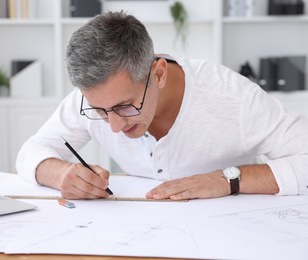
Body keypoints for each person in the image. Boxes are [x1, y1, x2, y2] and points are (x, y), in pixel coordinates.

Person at [16, 11, 308, 200]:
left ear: (158, 74)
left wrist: (228, 179)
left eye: (125, 106)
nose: (114, 126)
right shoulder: (94, 99)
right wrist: (60, 175)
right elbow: (31, 150)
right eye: (101, 112)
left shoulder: (234, 98)